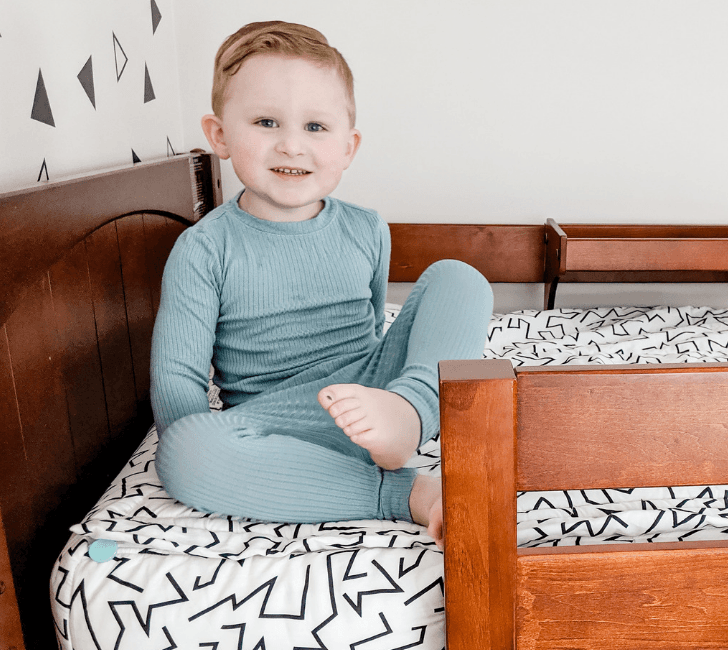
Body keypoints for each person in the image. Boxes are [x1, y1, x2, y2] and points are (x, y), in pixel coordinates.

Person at [150, 21, 492, 546]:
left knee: (460, 278)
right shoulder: (203, 249)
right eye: (266, 122)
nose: (292, 145)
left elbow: (375, 326)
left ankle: (412, 414)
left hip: (376, 396)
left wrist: (391, 402)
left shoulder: (365, 227)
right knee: (181, 448)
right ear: (219, 135)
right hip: (275, 427)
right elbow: (178, 386)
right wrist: (214, 449)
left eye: (315, 127)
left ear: (348, 146)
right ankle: (405, 493)